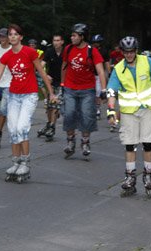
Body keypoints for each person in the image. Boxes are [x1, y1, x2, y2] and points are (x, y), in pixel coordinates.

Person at [0, 24, 56, 183]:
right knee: (13, 129)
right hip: (13, 95)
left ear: (21, 37)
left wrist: (51, 93)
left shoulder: (29, 52)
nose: (13, 37)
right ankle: (15, 162)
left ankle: (25, 163)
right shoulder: (7, 56)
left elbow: (42, 72)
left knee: (22, 127)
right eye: (10, 34)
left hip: (29, 95)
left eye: (16, 34)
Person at [106, 36, 151, 197]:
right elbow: (112, 91)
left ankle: (148, 174)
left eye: (131, 51)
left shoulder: (147, 62)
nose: (129, 55)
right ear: (122, 52)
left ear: (136, 51)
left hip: (147, 108)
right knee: (130, 144)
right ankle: (130, 177)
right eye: (126, 52)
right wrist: (111, 110)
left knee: (147, 143)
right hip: (129, 111)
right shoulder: (118, 68)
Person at [60, 23, 107, 160]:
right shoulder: (68, 49)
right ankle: (70, 141)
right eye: (71, 35)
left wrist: (103, 89)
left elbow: (100, 71)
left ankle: (85, 142)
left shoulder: (92, 51)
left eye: (74, 35)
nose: (72, 38)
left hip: (87, 89)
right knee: (69, 114)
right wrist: (62, 84)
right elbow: (64, 66)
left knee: (87, 115)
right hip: (70, 88)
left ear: (82, 37)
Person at [38, 33, 64, 141]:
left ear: (62, 42)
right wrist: (46, 75)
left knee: (55, 105)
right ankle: (49, 124)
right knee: (49, 105)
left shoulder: (66, 52)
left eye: (58, 40)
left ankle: (52, 126)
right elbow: (41, 66)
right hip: (51, 81)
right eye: (54, 41)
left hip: (62, 82)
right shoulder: (50, 51)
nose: (56, 43)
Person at [91, 34, 110, 120]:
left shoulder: (104, 51)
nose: (96, 44)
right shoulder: (89, 50)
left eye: (98, 42)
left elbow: (106, 62)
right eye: (94, 42)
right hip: (90, 74)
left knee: (98, 91)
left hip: (99, 74)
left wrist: (109, 73)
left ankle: (97, 109)